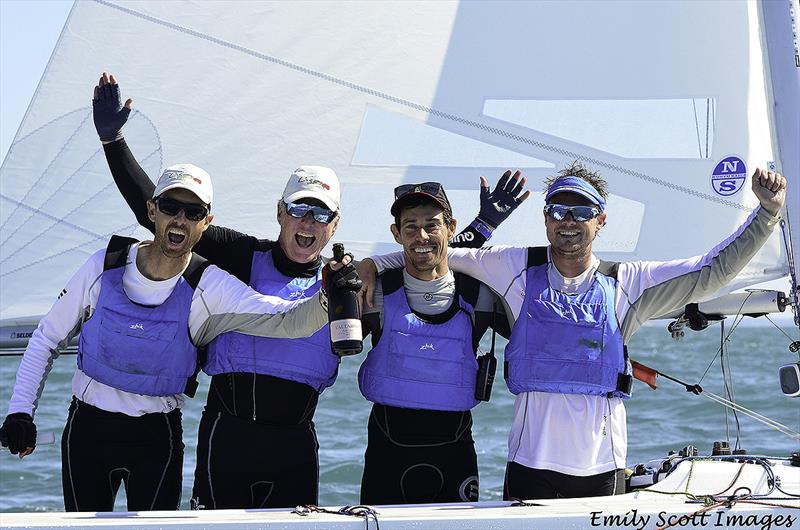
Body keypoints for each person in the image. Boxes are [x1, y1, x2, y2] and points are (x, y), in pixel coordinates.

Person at [91, 72, 509, 508]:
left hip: (295, 445)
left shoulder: (346, 283)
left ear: (335, 226)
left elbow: (424, 253)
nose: (307, 223)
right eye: (299, 210)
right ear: (280, 212)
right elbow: (159, 220)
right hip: (227, 436)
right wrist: (113, 141)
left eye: (320, 214)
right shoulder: (241, 255)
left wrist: (480, 229)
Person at [360, 161, 787, 500]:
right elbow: (426, 253)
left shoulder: (628, 283)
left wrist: (766, 214)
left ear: (600, 220)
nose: (569, 220)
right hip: (528, 467)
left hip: (601, 470)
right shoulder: (514, 267)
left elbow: (712, 271)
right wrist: (366, 266)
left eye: (581, 211)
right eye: (559, 211)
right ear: (546, 219)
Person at [0, 162, 357, 512]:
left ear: (206, 223)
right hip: (90, 431)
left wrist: (330, 295)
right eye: (171, 207)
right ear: (152, 210)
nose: (180, 219)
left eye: (193, 211)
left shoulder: (210, 285)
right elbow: (46, 338)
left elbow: (287, 320)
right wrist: (20, 412)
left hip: (159, 437)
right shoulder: (104, 265)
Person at [357, 176, 528, 505]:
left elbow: (534, 341)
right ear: (396, 234)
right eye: (410, 227)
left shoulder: (482, 294)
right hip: (387, 455)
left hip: (455, 455)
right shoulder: (373, 291)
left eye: (432, 225)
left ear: (451, 228)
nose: (421, 236)